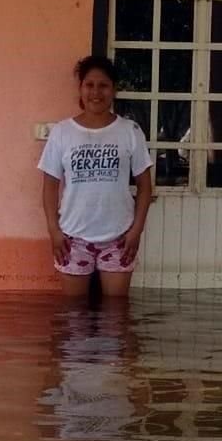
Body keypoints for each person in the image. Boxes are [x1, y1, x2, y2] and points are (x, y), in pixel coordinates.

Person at [38, 56, 153, 298]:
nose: (96, 92)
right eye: (89, 85)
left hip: (119, 238)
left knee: (116, 316)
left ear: (114, 90)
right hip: (72, 238)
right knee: (72, 318)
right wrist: (54, 231)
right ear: (80, 89)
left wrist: (136, 230)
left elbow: (145, 185)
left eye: (103, 85)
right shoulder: (62, 133)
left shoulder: (130, 131)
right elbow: (50, 187)